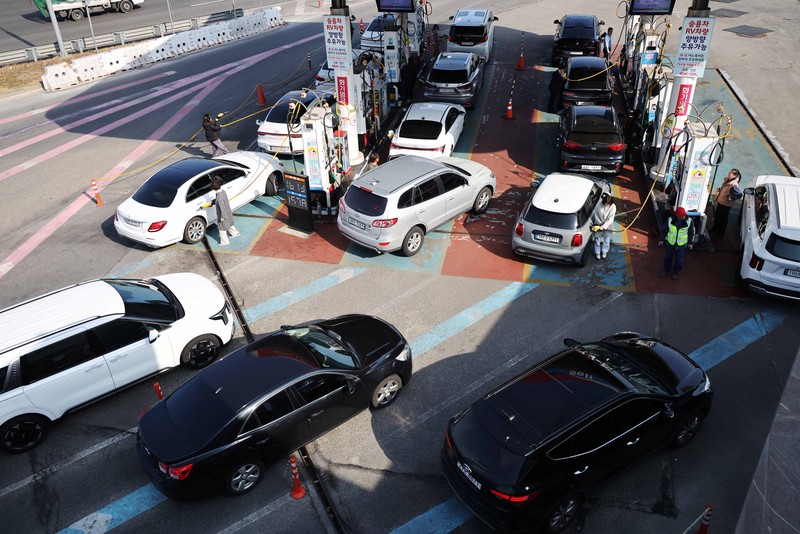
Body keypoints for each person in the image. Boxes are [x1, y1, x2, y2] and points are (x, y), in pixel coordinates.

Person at [658, 207, 695, 280]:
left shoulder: (689, 221)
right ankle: (666, 271)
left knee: (679, 261)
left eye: (683, 215)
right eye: (681, 216)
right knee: (667, 258)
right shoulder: (670, 220)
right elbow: (664, 230)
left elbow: (691, 232)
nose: (683, 217)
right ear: (677, 215)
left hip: (681, 245)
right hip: (671, 244)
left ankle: (675, 272)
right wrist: (661, 240)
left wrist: (690, 243)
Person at [711, 168, 742, 237]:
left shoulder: (734, 184)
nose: (729, 174)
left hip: (726, 204)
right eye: (729, 172)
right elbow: (725, 189)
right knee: (718, 216)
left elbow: (739, 194)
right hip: (721, 201)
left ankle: (720, 233)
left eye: (730, 173)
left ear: (734, 175)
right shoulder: (727, 180)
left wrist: (730, 198)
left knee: (723, 218)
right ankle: (715, 228)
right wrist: (720, 189)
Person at [210, 179, 239, 245]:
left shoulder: (219, 197)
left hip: (223, 215)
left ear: (213, 188)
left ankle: (225, 242)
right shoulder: (222, 191)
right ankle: (235, 233)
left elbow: (221, 207)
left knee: (222, 229)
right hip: (228, 211)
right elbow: (222, 201)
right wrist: (214, 202)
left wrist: (222, 218)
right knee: (230, 223)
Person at [591, 193, 616, 260]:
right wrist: (599, 223)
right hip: (598, 224)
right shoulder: (598, 204)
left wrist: (603, 226)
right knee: (597, 240)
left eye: (607, 204)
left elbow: (610, 219)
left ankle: (604, 252)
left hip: (608, 226)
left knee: (607, 240)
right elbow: (595, 213)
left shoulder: (613, 207)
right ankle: (597, 253)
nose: (606, 205)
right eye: (605, 203)